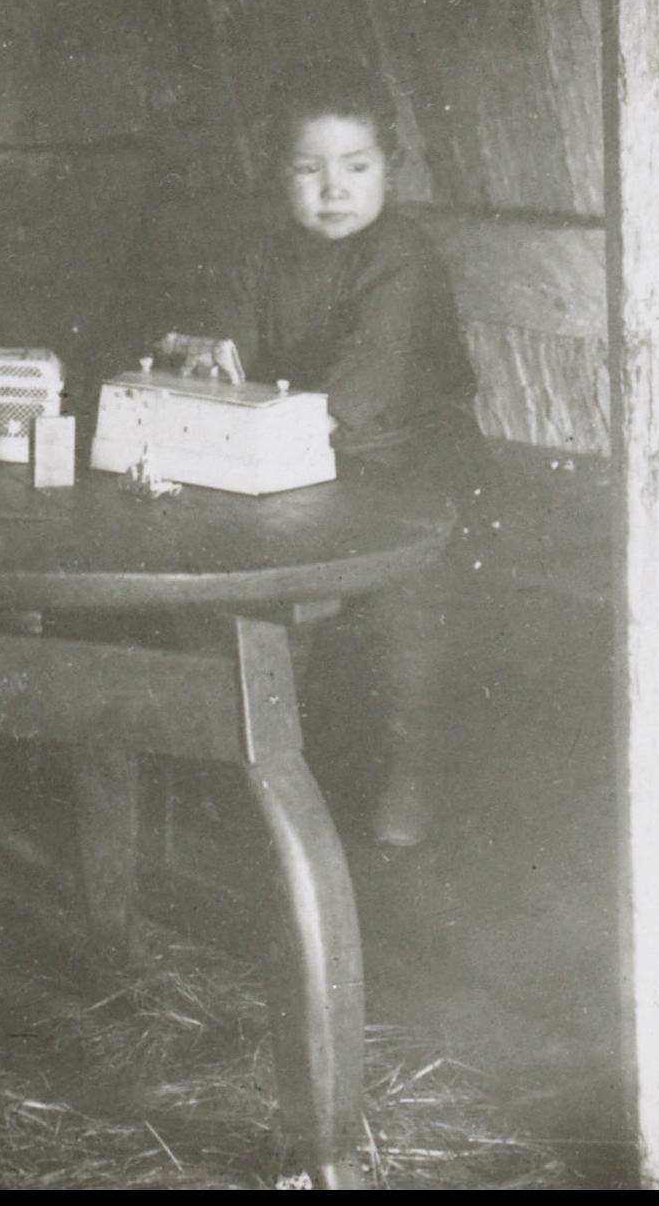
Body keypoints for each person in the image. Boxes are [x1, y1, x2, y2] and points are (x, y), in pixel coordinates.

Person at [166, 61, 489, 848]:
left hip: (411, 466)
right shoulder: (259, 254)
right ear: (277, 177)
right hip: (301, 463)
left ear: (390, 170)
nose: (332, 189)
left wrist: (275, 427)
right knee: (256, 597)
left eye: (355, 167)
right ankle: (269, 779)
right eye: (307, 170)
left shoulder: (402, 257)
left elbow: (369, 379)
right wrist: (211, 364)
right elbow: (229, 345)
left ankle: (410, 778)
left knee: (410, 617)